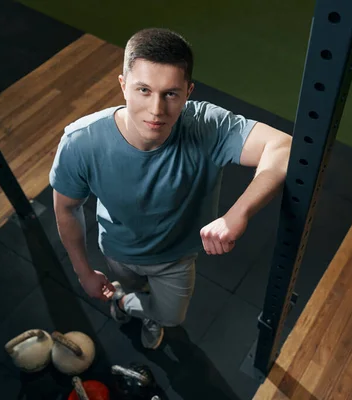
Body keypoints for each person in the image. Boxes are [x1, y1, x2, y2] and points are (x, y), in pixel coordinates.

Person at [50, 27, 292, 350]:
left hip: (175, 260)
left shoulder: (207, 126)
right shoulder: (81, 142)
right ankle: (133, 300)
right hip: (117, 251)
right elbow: (66, 207)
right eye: (144, 90)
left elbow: (283, 147)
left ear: (188, 92)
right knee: (132, 286)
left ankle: (132, 308)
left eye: (171, 94)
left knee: (170, 317)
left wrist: (238, 213)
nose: (156, 110)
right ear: (123, 86)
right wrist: (83, 273)